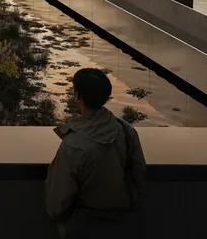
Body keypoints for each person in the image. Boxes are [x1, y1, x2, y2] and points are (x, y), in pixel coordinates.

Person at [45, 68, 146, 238]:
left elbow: (58, 200)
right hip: (125, 224)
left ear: (77, 96)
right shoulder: (127, 131)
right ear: (106, 97)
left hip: (85, 227)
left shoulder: (74, 145)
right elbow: (139, 173)